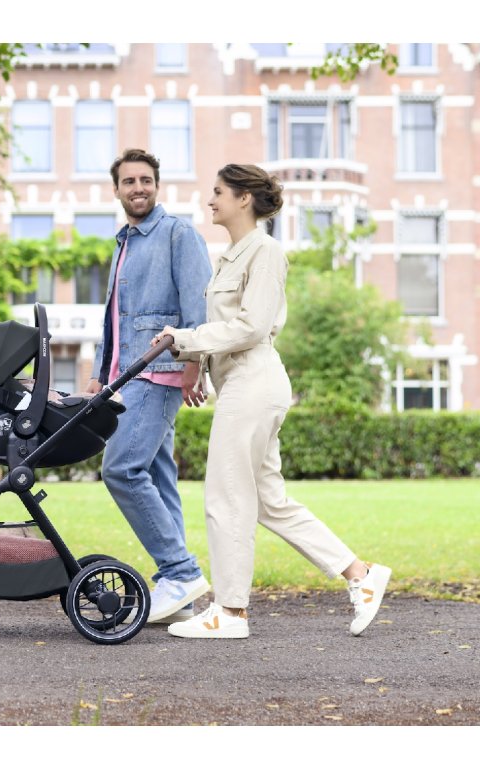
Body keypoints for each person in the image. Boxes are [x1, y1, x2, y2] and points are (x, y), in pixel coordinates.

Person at [152, 163, 391, 639]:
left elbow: (251, 326)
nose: (210, 200)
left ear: (244, 198)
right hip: (243, 384)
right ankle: (360, 574)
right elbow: (228, 326)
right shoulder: (230, 258)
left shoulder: (265, 251)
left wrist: (186, 339)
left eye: (218, 192)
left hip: (253, 382)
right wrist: (195, 358)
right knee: (269, 502)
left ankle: (230, 612)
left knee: (226, 495)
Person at [85, 148, 213, 624]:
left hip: (158, 370)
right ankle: (181, 595)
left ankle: (180, 572)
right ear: (116, 189)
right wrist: (100, 373)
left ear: (157, 185)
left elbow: (197, 305)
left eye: (145, 180)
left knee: (121, 470)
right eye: (129, 181)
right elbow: (114, 318)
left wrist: (193, 364)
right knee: (158, 477)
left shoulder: (177, 233)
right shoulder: (124, 241)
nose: (138, 188)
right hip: (126, 375)